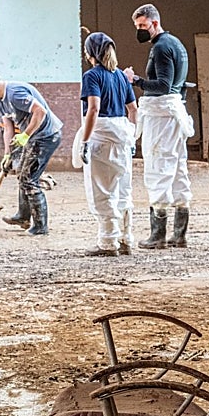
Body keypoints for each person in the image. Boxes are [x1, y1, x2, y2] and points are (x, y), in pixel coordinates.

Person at [123, 4, 192, 249]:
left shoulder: (161, 47)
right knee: (178, 169)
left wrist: (136, 81)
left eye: (142, 25)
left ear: (154, 22)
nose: (140, 30)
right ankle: (180, 233)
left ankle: (158, 234)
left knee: (158, 167)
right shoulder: (176, 44)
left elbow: (163, 84)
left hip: (162, 116)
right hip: (174, 113)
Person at [0, 69, 63, 236]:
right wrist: (8, 154)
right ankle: (23, 217)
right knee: (22, 173)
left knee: (29, 178)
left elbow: (40, 112)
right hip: (33, 137)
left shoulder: (15, 93)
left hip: (46, 136)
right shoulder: (1, 103)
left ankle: (40, 226)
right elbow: (8, 129)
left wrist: (25, 135)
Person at [77, 32, 137, 256]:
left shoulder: (92, 76)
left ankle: (107, 242)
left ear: (91, 52)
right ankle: (126, 239)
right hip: (122, 137)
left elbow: (93, 108)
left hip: (101, 138)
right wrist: (132, 137)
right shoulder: (121, 76)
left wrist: (85, 140)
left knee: (102, 190)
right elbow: (133, 109)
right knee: (123, 189)